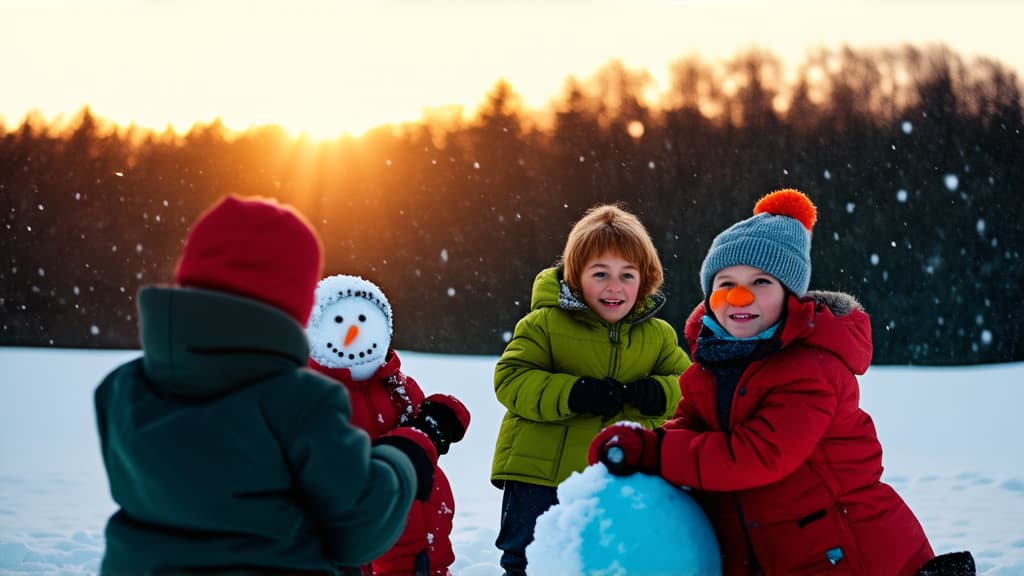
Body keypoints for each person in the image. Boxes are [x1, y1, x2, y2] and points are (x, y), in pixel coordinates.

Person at [589, 189, 947, 575]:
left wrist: (655, 452)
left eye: (761, 282)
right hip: (776, 551)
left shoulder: (812, 370)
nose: (739, 297)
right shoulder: (708, 371)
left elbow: (756, 454)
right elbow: (688, 428)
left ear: (790, 297)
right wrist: (642, 445)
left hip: (848, 552)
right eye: (725, 284)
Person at [94, 195, 434, 575]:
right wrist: (404, 457)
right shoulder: (300, 401)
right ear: (299, 302)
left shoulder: (122, 390)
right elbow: (360, 530)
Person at [490, 203, 691, 576]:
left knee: (607, 560)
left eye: (627, 275)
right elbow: (512, 377)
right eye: (600, 274)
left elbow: (690, 390)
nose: (614, 287)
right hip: (540, 475)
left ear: (645, 279)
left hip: (618, 475)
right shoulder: (544, 323)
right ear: (575, 276)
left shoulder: (659, 336)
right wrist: (571, 393)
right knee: (528, 560)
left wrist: (657, 393)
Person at [306, 274, 471, 576]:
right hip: (362, 545)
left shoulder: (396, 386)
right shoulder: (308, 397)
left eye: (365, 322)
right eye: (339, 320)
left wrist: (445, 417)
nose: (354, 331)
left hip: (422, 531)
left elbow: (421, 430)